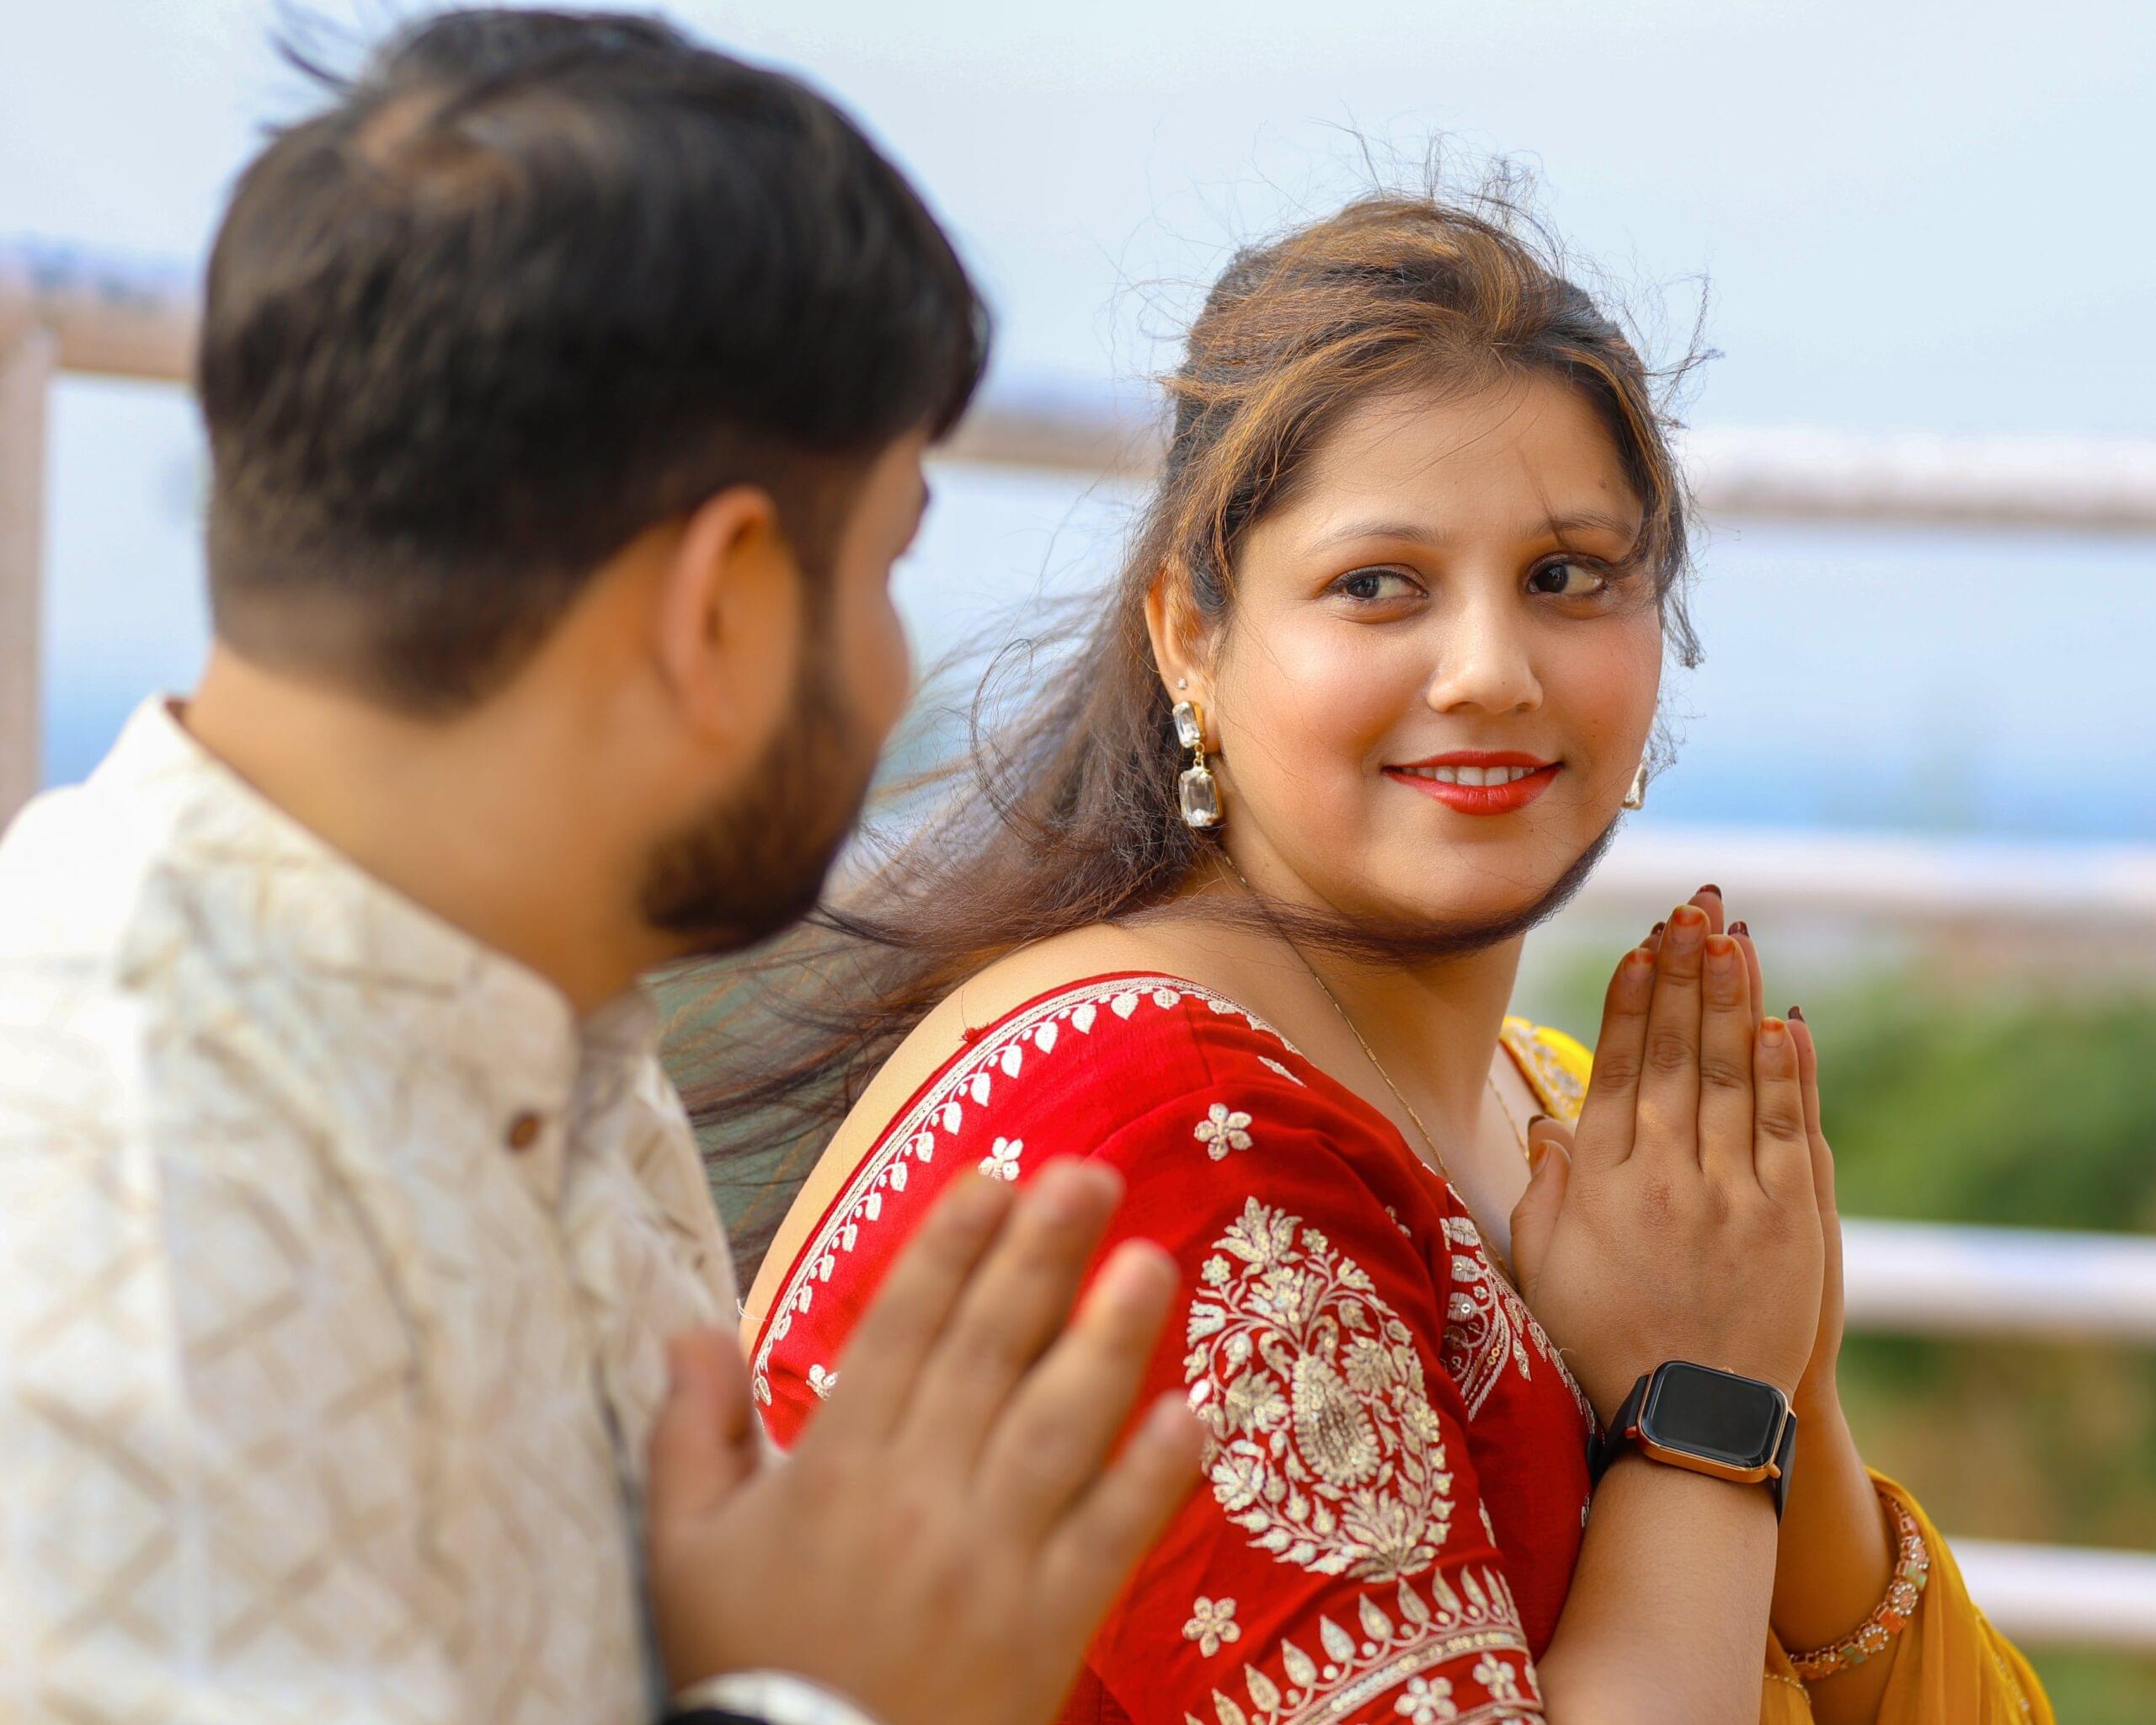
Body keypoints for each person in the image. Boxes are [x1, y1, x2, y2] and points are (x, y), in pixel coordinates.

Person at [691, 190, 2052, 1722]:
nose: (1489, 669)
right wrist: (1708, 1408)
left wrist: (1773, 1364)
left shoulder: (1551, 1112)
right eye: (1377, 585)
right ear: (1188, 639)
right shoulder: (1156, 1118)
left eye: (1569, 576)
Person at [0, 12, 1206, 1725]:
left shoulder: (550, 1036)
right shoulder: (112, 1189)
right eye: (882, 565)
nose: (888, 669)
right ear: (714, 603)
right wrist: (824, 1702)